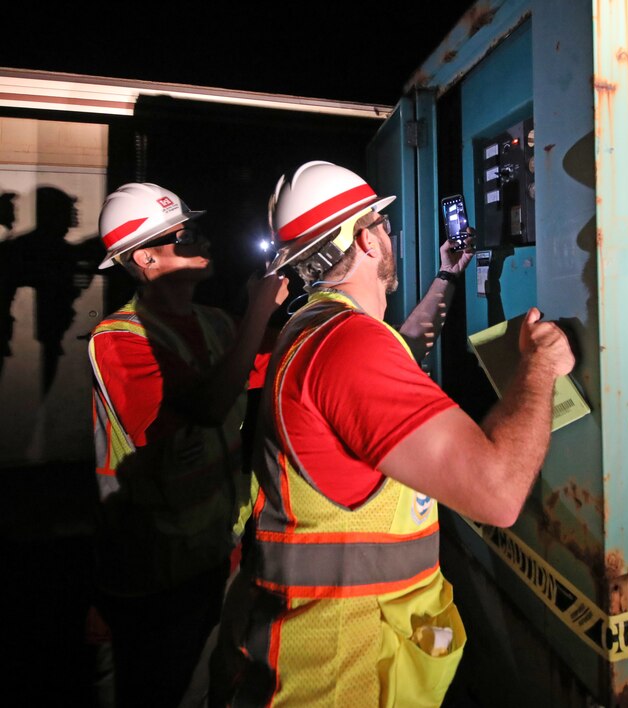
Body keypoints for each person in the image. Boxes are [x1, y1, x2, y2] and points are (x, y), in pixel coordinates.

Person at [217, 161, 574, 707]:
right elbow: (497, 491)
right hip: (340, 678)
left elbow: (396, 360)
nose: (391, 236)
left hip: (313, 661)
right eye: (383, 226)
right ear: (364, 240)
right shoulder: (350, 348)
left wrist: (448, 276)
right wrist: (540, 367)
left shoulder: (314, 326)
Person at [87, 182, 288, 708]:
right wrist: (259, 313)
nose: (206, 242)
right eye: (187, 235)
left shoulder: (217, 323)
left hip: (217, 557)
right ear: (145, 257)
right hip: (153, 575)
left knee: (211, 688)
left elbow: (291, 360)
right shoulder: (118, 340)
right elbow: (207, 405)